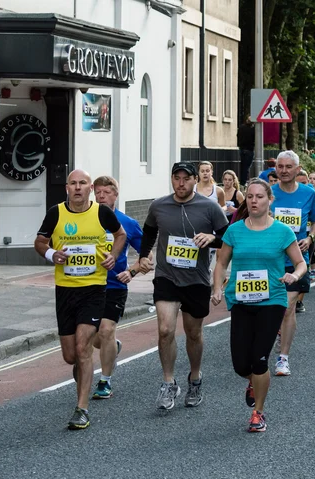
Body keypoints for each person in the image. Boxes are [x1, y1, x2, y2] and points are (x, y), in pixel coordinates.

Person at [34, 169, 127, 429]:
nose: (77, 187)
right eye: (73, 183)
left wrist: (113, 256)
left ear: (90, 188)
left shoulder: (102, 213)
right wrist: (52, 254)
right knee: (70, 356)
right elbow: (39, 241)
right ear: (67, 188)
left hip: (94, 289)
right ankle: (84, 386)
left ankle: (82, 408)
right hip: (64, 289)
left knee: (83, 347)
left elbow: (121, 235)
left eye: (82, 183)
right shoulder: (56, 213)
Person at [212, 179, 306, 433]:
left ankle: (258, 413)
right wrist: (218, 287)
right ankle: (253, 381)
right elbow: (221, 262)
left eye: (259, 197)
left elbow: (300, 263)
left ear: (269, 200)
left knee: (259, 359)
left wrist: (294, 277)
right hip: (240, 300)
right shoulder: (235, 231)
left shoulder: (282, 232)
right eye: (250, 197)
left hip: (271, 300)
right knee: (241, 365)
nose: (254, 201)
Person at [138, 162, 229, 410]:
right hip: (167, 276)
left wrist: (212, 238)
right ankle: (168, 382)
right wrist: (143, 256)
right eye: (176, 178)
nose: (181, 183)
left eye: (186, 179)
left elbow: (228, 237)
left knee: (193, 333)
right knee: (165, 330)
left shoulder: (209, 207)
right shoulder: (159, 205)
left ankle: (195, 377)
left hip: (196, 279)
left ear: (195, 180)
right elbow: (149, 231)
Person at [92, 176, 148, 400]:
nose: (102, 196)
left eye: (106, 192)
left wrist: (132, 271)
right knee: (91, 337)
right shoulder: (86, 220)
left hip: (114, 286)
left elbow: (147, 256)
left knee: (105, 330)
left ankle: (105, 382)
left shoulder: (127, 223)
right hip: (87, 286)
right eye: (98, 192)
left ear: (116, 195)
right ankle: (112, 347)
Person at [271, 150, 315, 376]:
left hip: (295, 260)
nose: (283, 171)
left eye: (288, 167)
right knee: (272, 308)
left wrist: (310, 238)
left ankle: (283, 358)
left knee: (287, 306)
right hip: (270, 260)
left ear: (297, 169)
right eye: (280, 166)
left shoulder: (309, 193)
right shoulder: (267, 193)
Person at [237, 115, 255, 185]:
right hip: (249, 149)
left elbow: (238, 136)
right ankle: (243, 182)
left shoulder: (241, 127)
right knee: (246, 167)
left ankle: (242, 181)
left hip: (242, 149)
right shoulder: (253, 129)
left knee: (243, 166)